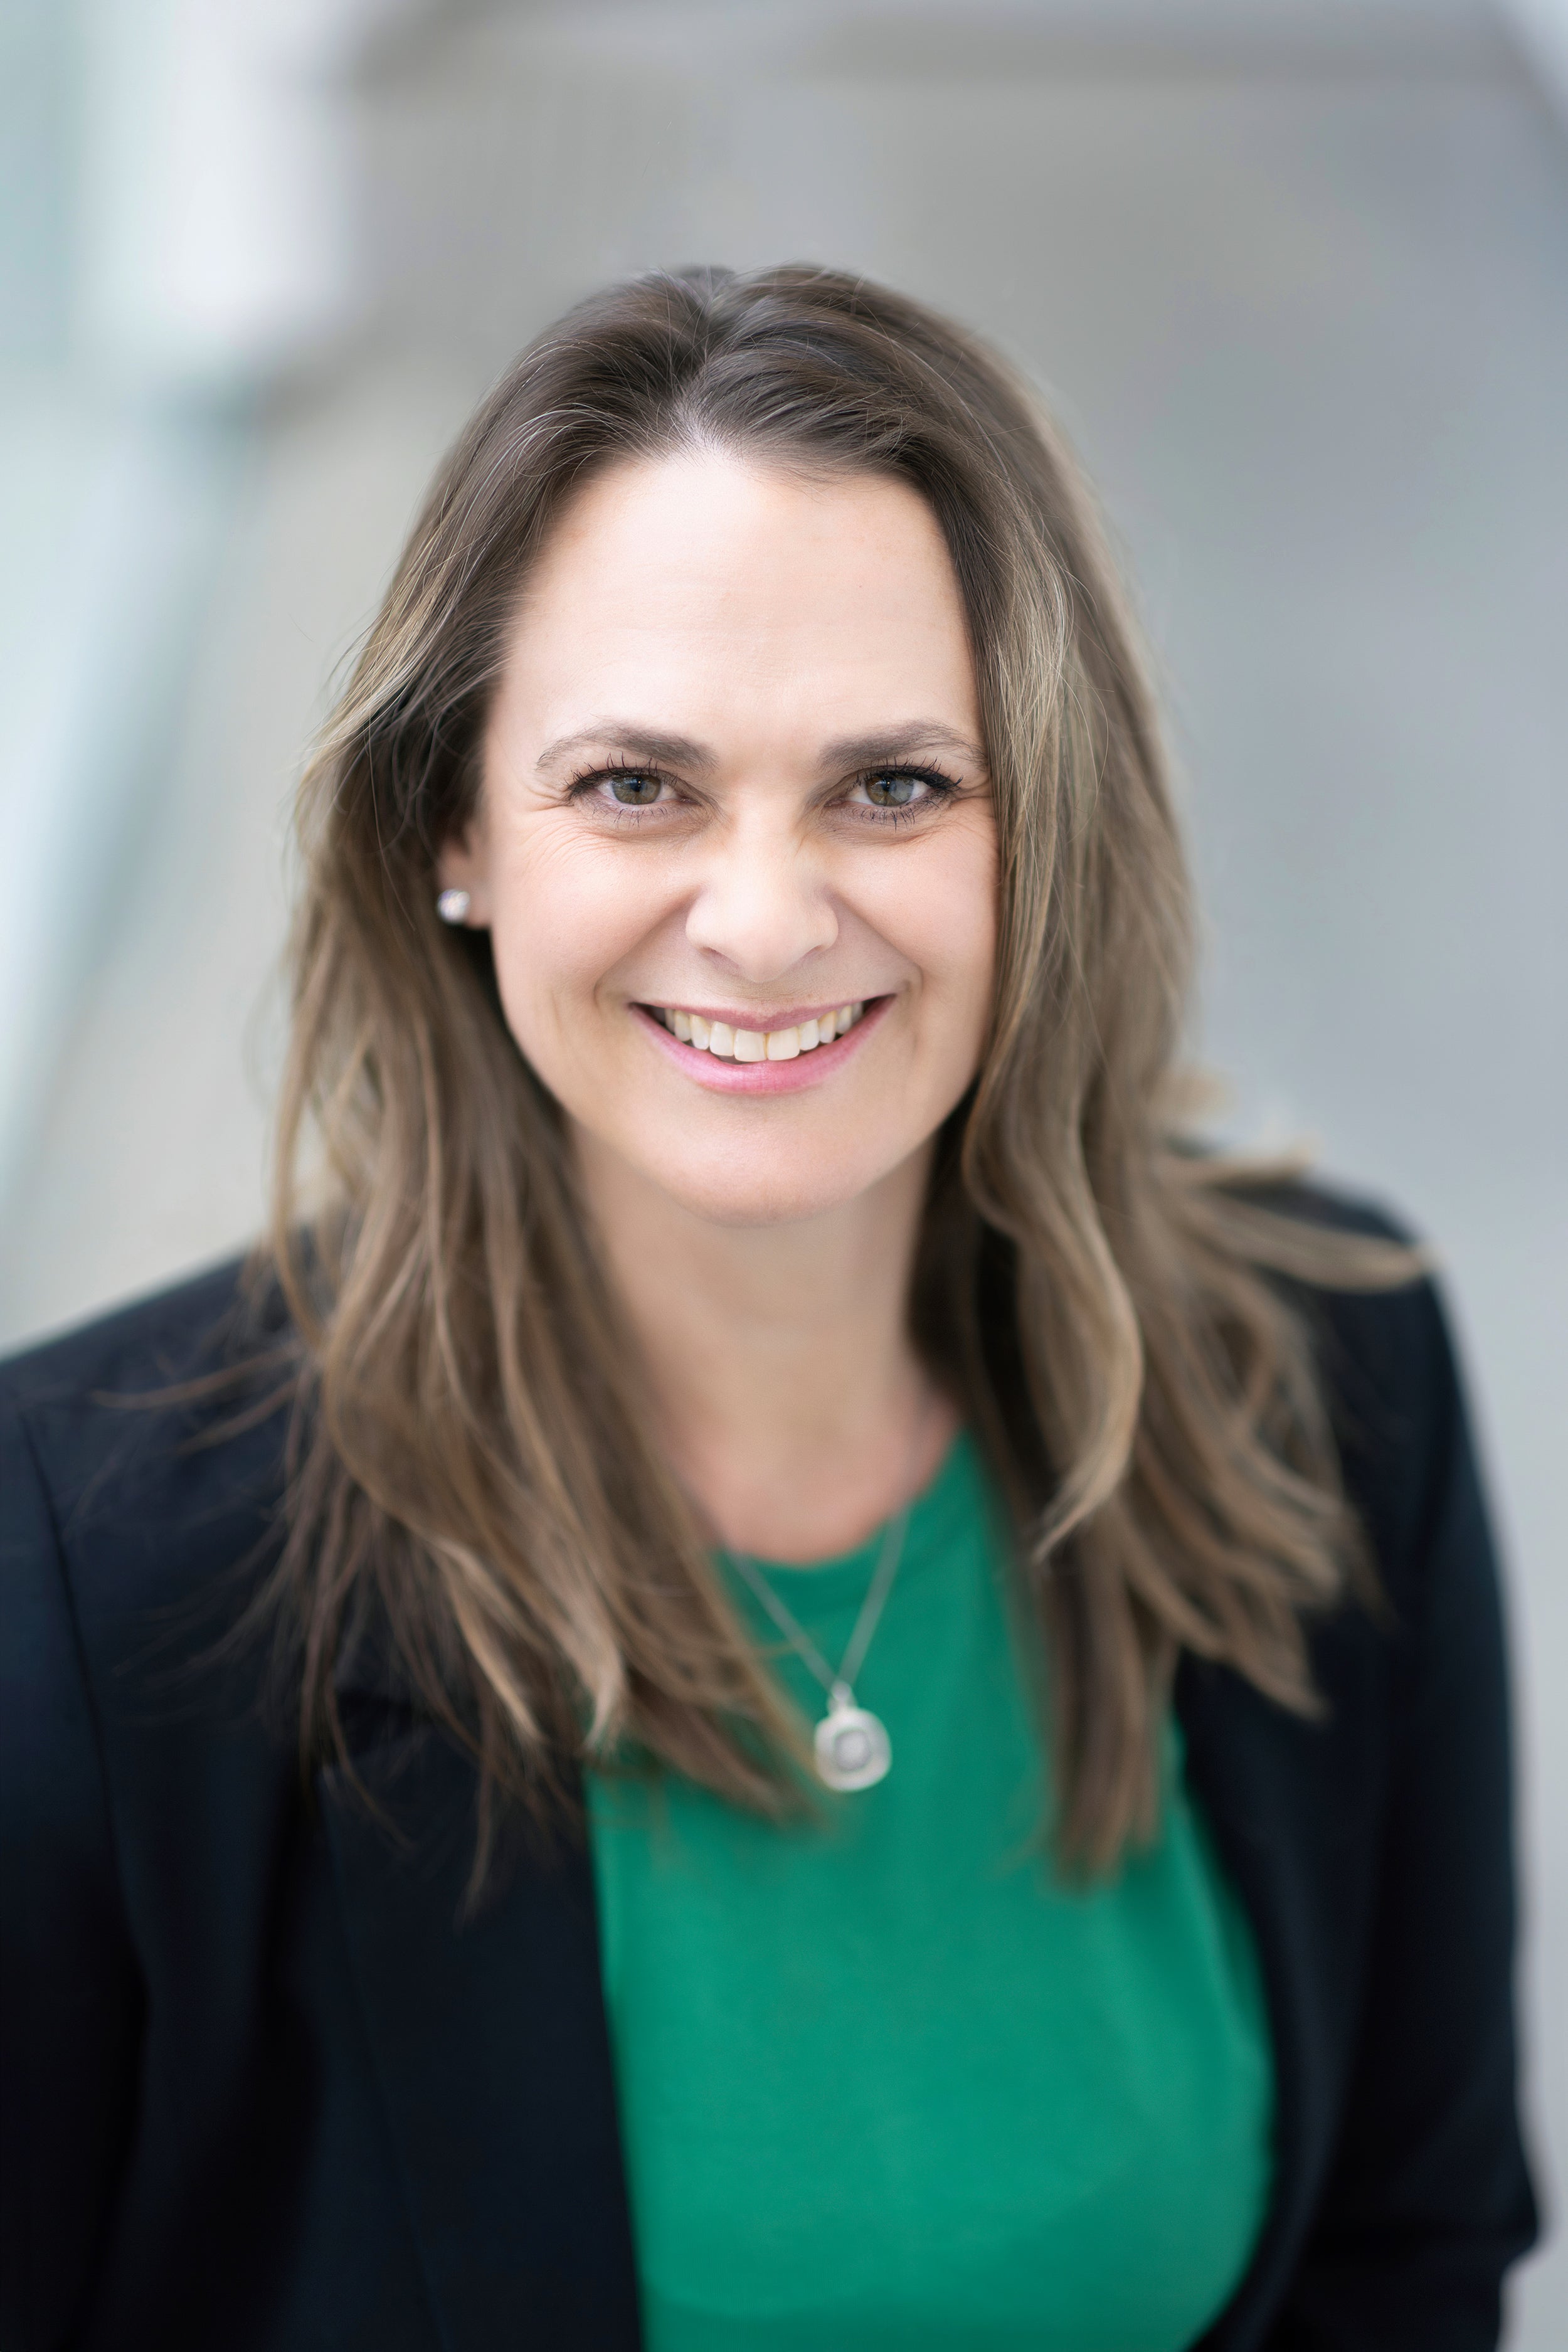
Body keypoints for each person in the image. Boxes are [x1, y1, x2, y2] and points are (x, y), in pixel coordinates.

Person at [0, 265, 1536, 2352]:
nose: (762, 916)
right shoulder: (84, 1570)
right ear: (457, 830)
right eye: (635, 784)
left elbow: (1404, 2257)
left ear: (1043, 830)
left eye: (892, 785)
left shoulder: (1323, 1383)